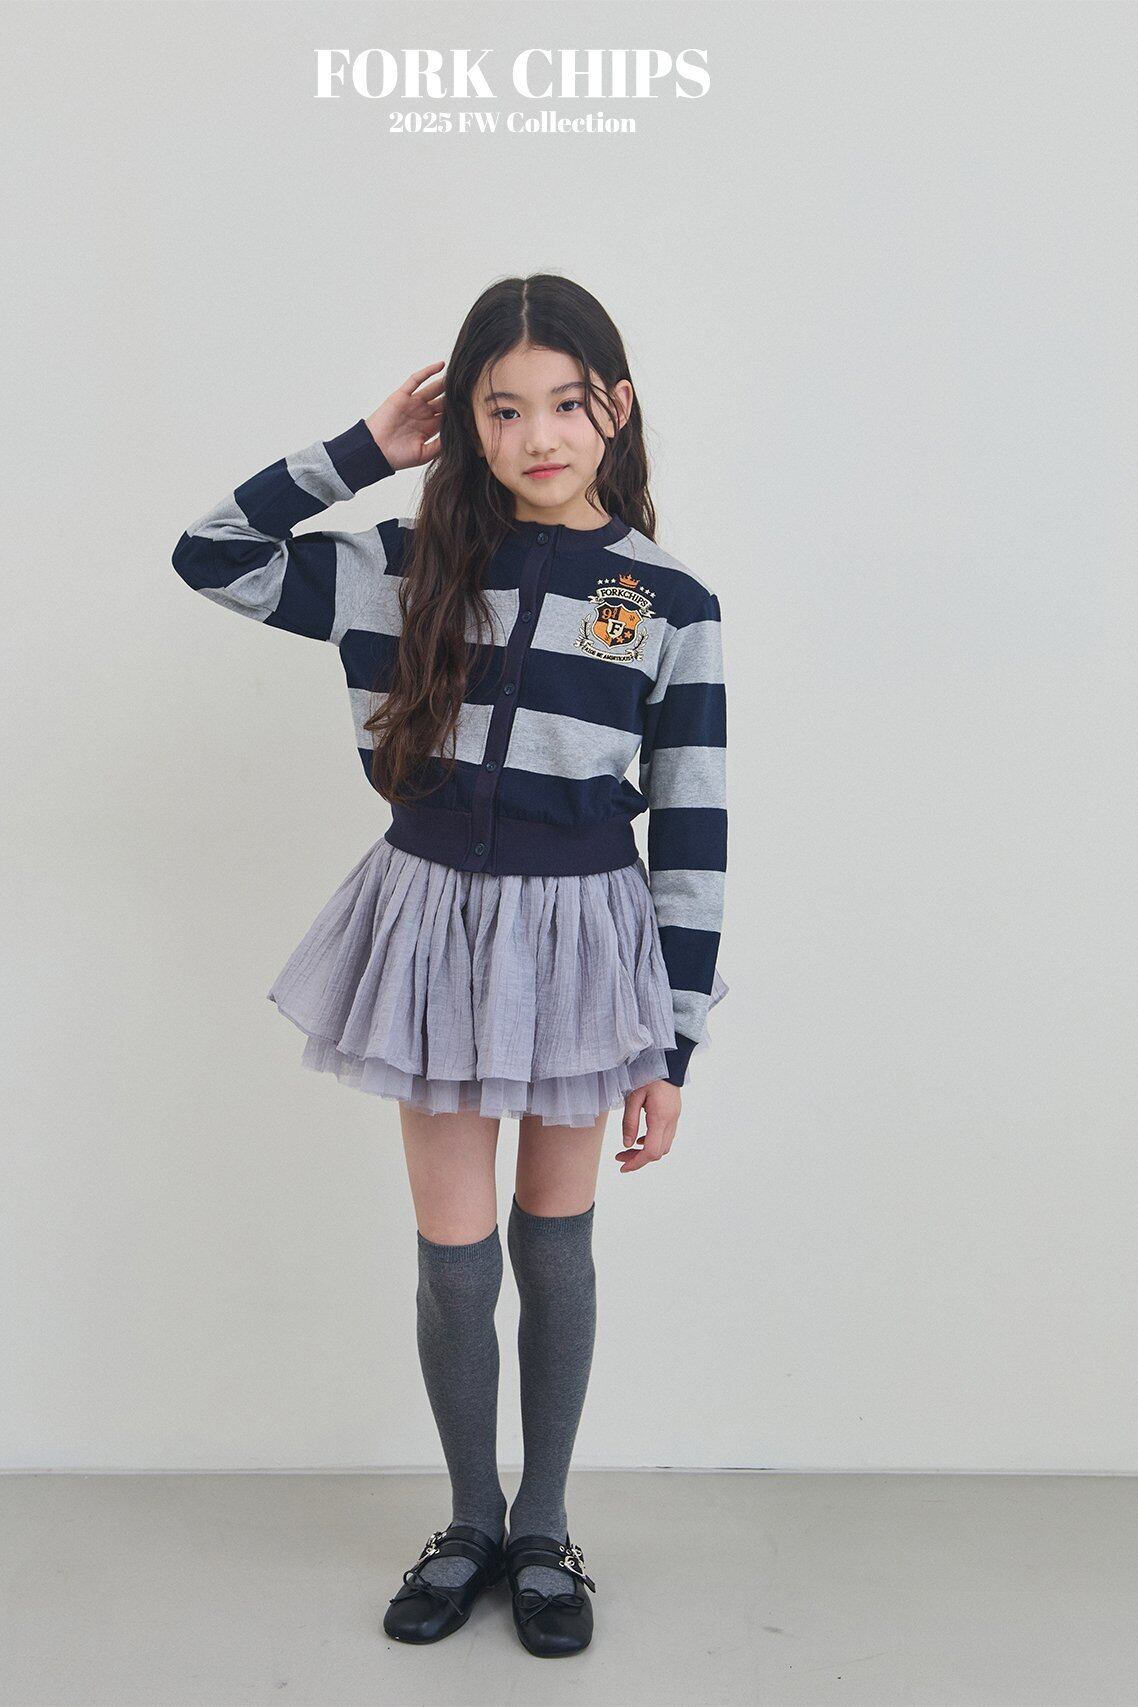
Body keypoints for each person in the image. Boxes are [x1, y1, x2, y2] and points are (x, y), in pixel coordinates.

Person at [171, 273, 729, 1659]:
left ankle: (544, 1529)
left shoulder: (668, 600)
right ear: (466, 424)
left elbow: (695, 824)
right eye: (503, 409)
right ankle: (470, 1521)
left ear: (618, 408)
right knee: (456, 1257)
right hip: (429, 927)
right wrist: (363, 449)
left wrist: (675, 1040)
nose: (540, 435)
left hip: (584, 938)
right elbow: (210, 551)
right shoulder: (398, 563)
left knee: (557, 1238)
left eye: (567, 404)